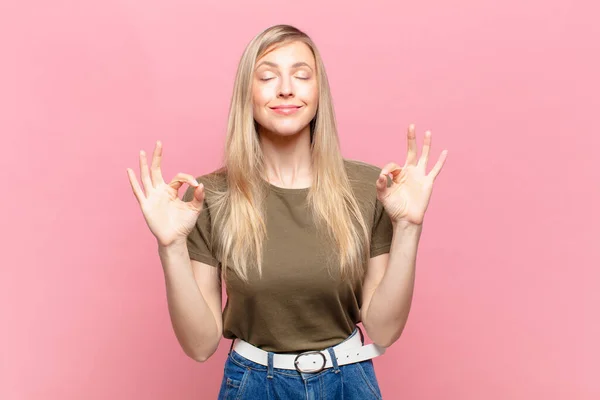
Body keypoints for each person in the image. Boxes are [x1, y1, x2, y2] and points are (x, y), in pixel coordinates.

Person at [127, 24, 447, 400]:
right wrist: (171, 247)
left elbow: (385, 329)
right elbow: (200, 346)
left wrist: (408, 226)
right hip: (252, 385)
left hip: (348, 383)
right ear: (248, 93)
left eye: (301, 75)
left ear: (318, 93)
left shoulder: (369, 188)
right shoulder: (208, 196)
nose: (285, 88)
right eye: (267, 76)